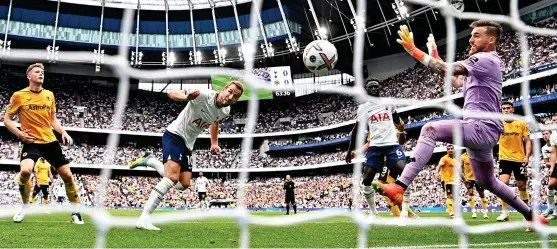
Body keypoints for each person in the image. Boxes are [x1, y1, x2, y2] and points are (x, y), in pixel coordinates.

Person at [372, 21, 548, 229]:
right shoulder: (481, 66)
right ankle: (531, 216)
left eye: (476, 35)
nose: (471, 39)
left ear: (491, 39)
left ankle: (400, 186)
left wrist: (413, 50)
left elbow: (445, 69)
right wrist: (435, 53)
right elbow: (451, 78)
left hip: (481, 128)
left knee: (429, 129)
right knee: (487, 182)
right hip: (483, 132)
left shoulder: (485, 59)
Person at [130, 81, 243, 230]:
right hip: (174, 135)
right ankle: (144, 218)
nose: (230, 96)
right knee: (171, 177)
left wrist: (214, 143)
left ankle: (150, 161)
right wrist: (186, 98)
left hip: (188, 144)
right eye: (229, 91)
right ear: (223, 89)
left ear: (236, 101)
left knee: (183, 184)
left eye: (235, 96)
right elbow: (171, 92)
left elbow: (215, 122)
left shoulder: (225, 111)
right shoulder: (203, 95)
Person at [4, 63, 83, 224]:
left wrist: (63, 132)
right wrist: (20, 134)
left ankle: (76, 213)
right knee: (25, 171)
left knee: (67, 175)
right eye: (37, 72)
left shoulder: (49, 95)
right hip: (31, 141)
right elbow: (6, 119)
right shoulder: (18, 96)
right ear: (29, 76)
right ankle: (25, 205)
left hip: (50, 141)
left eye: (42, 72)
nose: (41, 74)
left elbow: (53, 120)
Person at [345, 77, 406, 218]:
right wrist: (350, 150)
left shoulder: (389, 103)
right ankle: (374, 213)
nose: (373, 88)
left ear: (379, 88)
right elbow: (356, 130)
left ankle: (405, 210)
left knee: (404, 172)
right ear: (367, 90)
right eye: (370, 87)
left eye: (375, 86)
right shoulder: (363, 108)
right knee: (366, 180)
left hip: (392, 145)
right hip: (375, 147)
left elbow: (398, 121)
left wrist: (401, 128)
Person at [496, 101, 532, 222]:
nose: (506, 110)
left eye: (508, 108)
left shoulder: (521, 123)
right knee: (502, 184)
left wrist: (527, 156)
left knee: (521, 186)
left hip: (519, 159)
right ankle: (505, 212)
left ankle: (526, 212)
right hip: (504, 158)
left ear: (513, 110)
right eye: (504, 108)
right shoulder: (498, 124)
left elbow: (527, 141)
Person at [461, 151, 489, 219]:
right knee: (470, 193)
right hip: (468, 178)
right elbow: (461, 168)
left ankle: (485, 212)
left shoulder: (477, 154)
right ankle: (473, 212)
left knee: (481, 194)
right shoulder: (463, 156)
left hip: (478, 177)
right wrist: (463, 178)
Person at [437, 144, 456, 218]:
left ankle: (452, 211)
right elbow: (439, 165)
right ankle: (451, 213)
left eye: (451, 148)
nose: (450, 150)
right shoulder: (444, 158)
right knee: (449, 196)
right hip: (446, 180)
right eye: (449, 149)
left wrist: (464, 179)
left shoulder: (455, 160)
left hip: (454, 181)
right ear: (447, 151)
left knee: (454, 197)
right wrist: (436, 173)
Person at [544, 115, 557, 219]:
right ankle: (552, 209)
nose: (555, 121)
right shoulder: (553, 136)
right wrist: (552, 167)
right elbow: (553, 153)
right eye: (553, 120)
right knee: (551, 184)